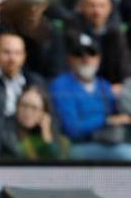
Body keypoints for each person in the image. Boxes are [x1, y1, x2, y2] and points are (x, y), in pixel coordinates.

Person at [50, 30, 131, 161]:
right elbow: (71, 129)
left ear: (98, 59)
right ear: (70, 58)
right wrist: (106, 120)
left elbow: (119, 116)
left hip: (108, 141)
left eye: (91, 54)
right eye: (79, 54)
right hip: (76, 146)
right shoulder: (61, 85)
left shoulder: (104, 85)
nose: (86, 59)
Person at [0, 85, 69, 160]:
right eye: (24, 106)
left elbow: (56, 168)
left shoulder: (53, 133)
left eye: (34, 108)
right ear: (17, 107)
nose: (28, 112)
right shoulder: (3, 129)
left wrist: (46, 135)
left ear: (43, 113)